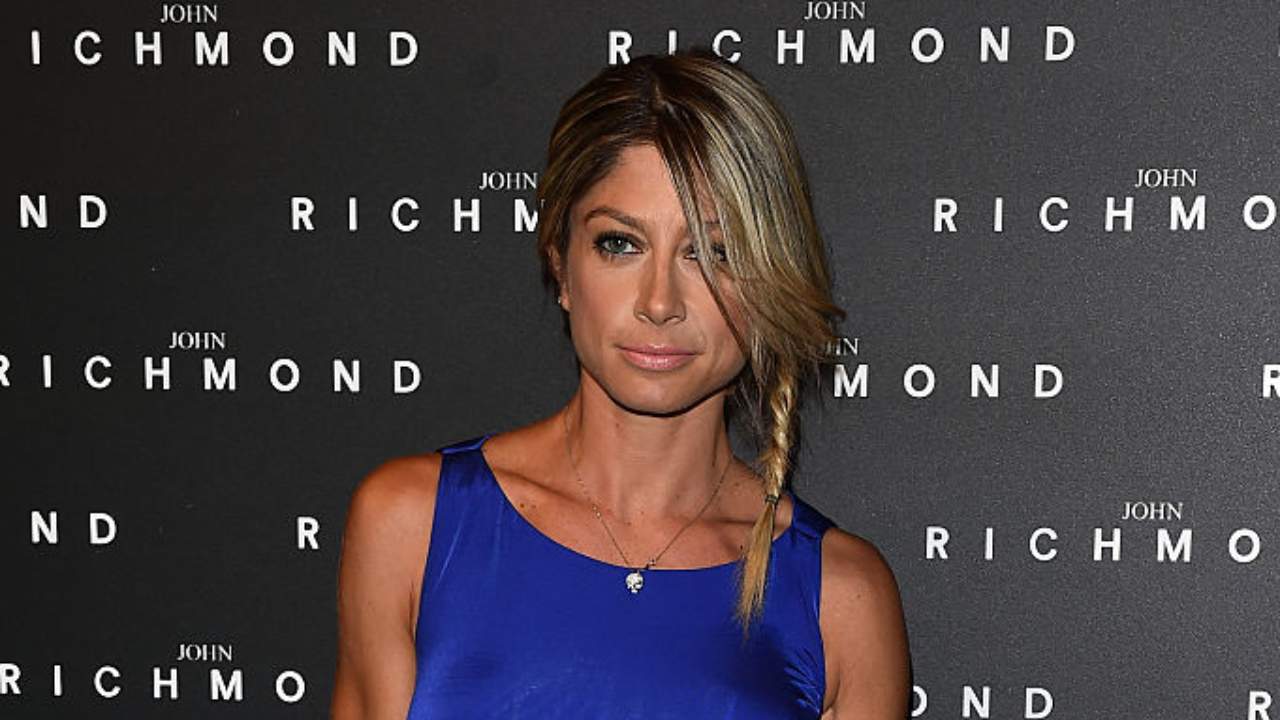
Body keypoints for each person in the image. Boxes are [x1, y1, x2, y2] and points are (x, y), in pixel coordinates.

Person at [329, 48, 910, 719]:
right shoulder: (413, 523)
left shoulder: (840, 596)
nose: (659, 302)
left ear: (770, 279)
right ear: (560, 262)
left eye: (713, 253)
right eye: (620, 244)